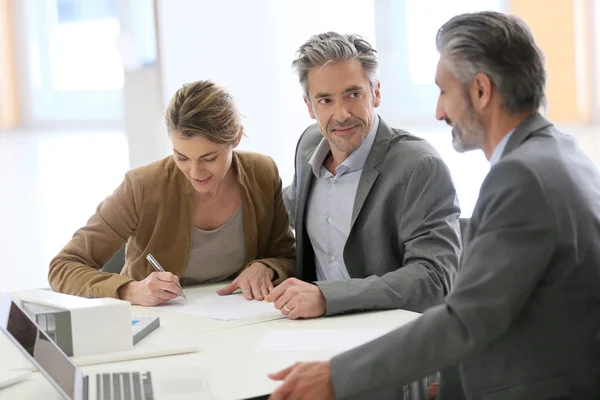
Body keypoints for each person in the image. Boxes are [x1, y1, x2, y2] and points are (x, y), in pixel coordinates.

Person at [268, 11, 600, 400]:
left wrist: (337, 376)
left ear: (480, 91)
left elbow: (465, 318)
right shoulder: (561, 153)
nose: (439, 111)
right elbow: (500, 307)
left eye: (443, 91)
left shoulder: (520, 177)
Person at [49, 80, 295, 306]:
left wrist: (267, 266)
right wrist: (129, 290)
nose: (195, 171)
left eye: (209, 158)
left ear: (237, 138)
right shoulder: (142, 186)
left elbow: (287, 256)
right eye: (182, 157)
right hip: (158, 325)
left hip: (243, 320)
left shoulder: (262, 174)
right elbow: (63, 268)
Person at [269, 32, 461, 321]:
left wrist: (327, 297)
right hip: (309, 330)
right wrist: (267, 265)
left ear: (377, 93)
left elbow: (434, 277)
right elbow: (282, 217)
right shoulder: (308, 146)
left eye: (353, 95)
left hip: (387, 339)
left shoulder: (419, 166)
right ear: (309, 106)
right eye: (325, 101)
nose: (342, 114)